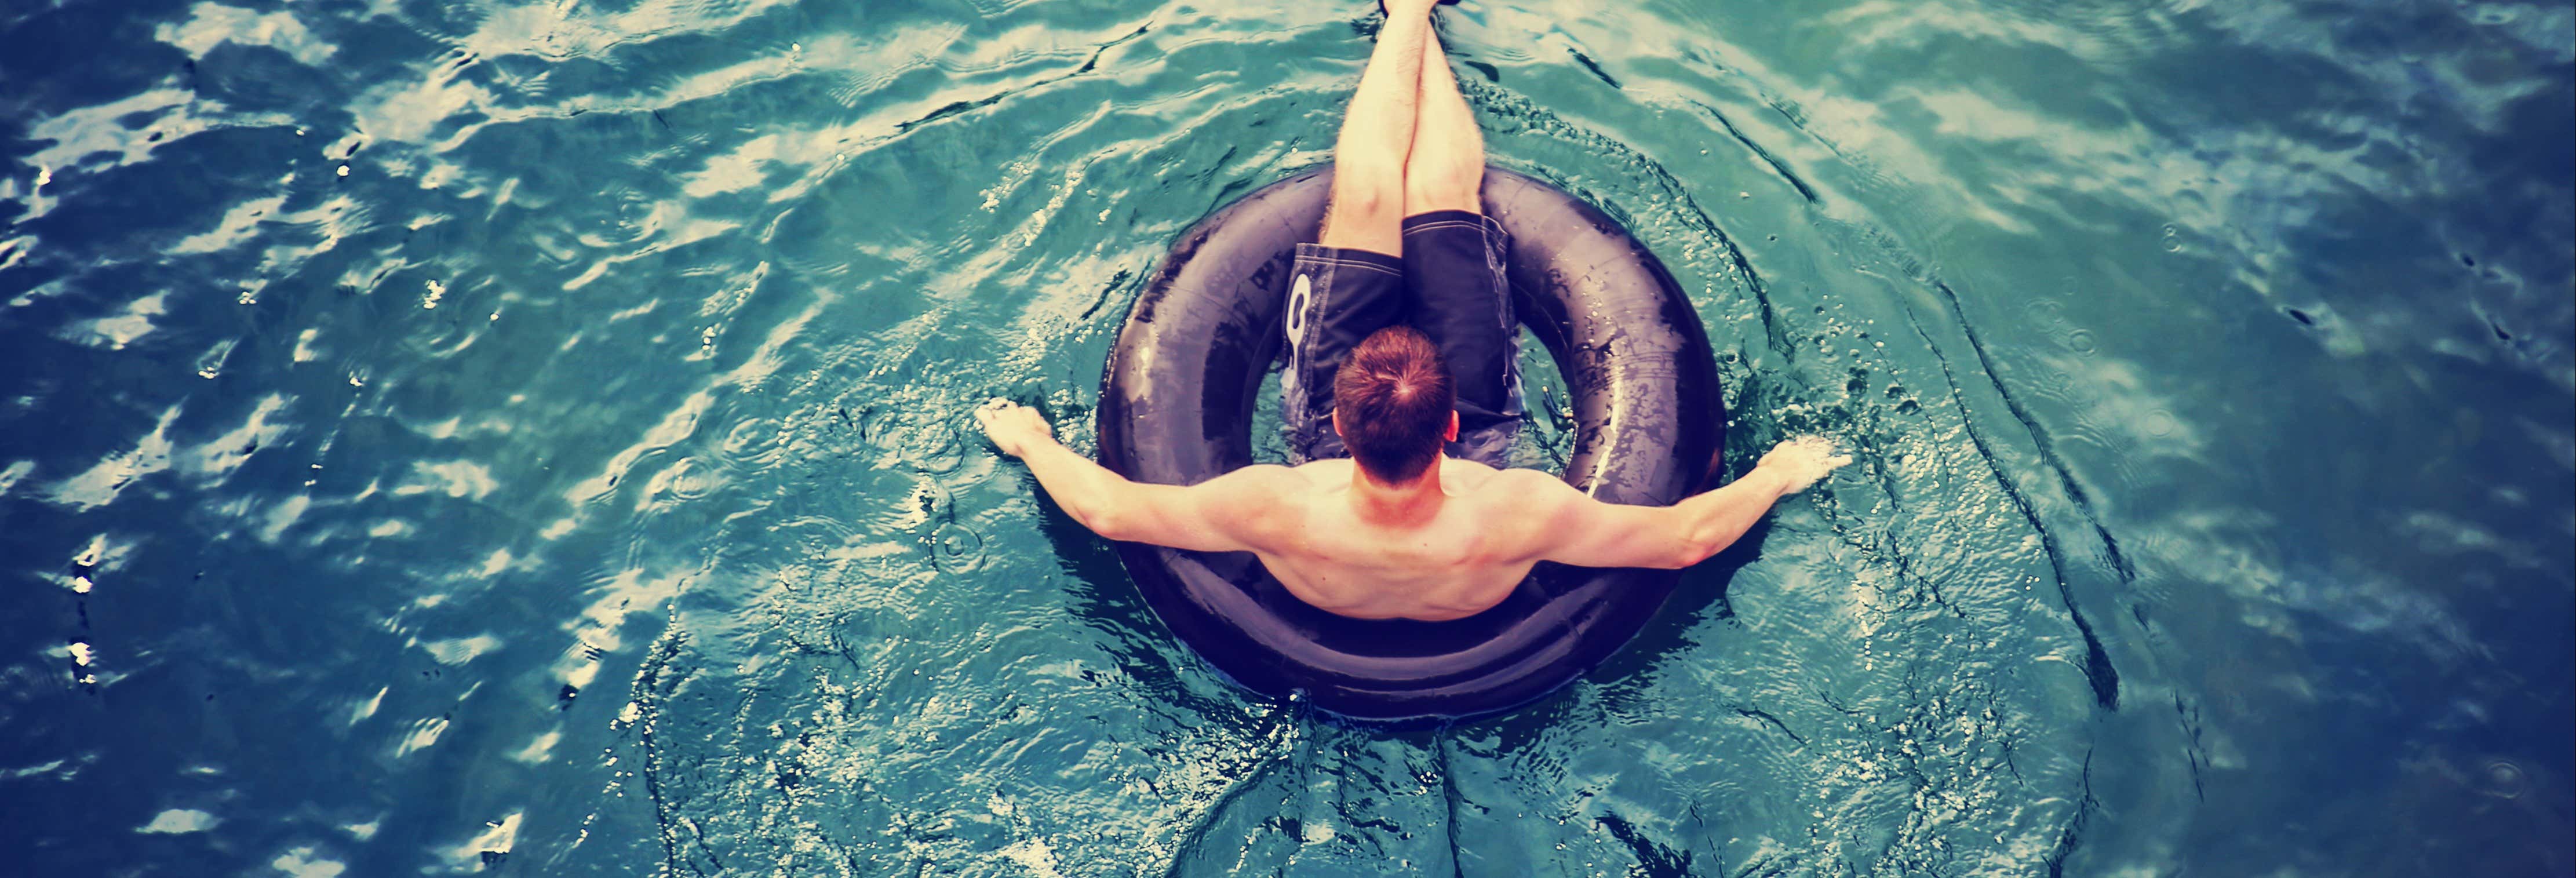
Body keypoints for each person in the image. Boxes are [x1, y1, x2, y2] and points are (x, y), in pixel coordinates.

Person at [975, 0, 1850, 622]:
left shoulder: (1274, 504)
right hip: (1469, 498)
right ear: (1450, 425)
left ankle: (1402, 18)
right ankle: (1414, 14)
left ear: (1338, 426)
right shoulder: (1517, 513)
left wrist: (1030, 442)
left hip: (1335, 510)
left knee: (1361, 200)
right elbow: (1687, 540)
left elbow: (1110, 512)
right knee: (1442, 196)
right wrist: (1777, 472)